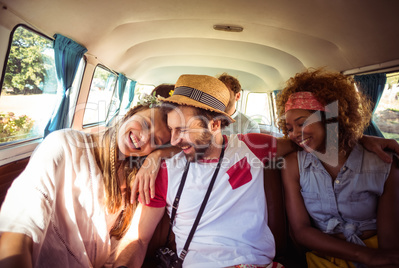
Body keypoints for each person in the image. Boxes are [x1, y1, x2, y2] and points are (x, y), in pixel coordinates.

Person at [116, 74, 296, 268]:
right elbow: (138, 239)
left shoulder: (251, 147)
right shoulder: (166, 171)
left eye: (183, 130)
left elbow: (299, 144)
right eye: (171, 129)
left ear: (215, 124)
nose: (174, 140)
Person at [0, 100, 172, 267]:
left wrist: (158, 155)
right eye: (145, 123)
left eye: (155, 141)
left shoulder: (135, 175)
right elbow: (22, 220)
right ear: (130, 113)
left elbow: (193, 146)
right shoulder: (65, 145)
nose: (143, 138)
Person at [277, 69, 399, 267]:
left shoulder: (384, 163)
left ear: (331, 119)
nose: (294, 134)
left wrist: (375, 258)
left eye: (302, 124)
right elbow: (300, 231)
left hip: (376, 251)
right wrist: (366, 257)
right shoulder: (293, 164)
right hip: (324, 257)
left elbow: (391, 241)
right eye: (289, 128)